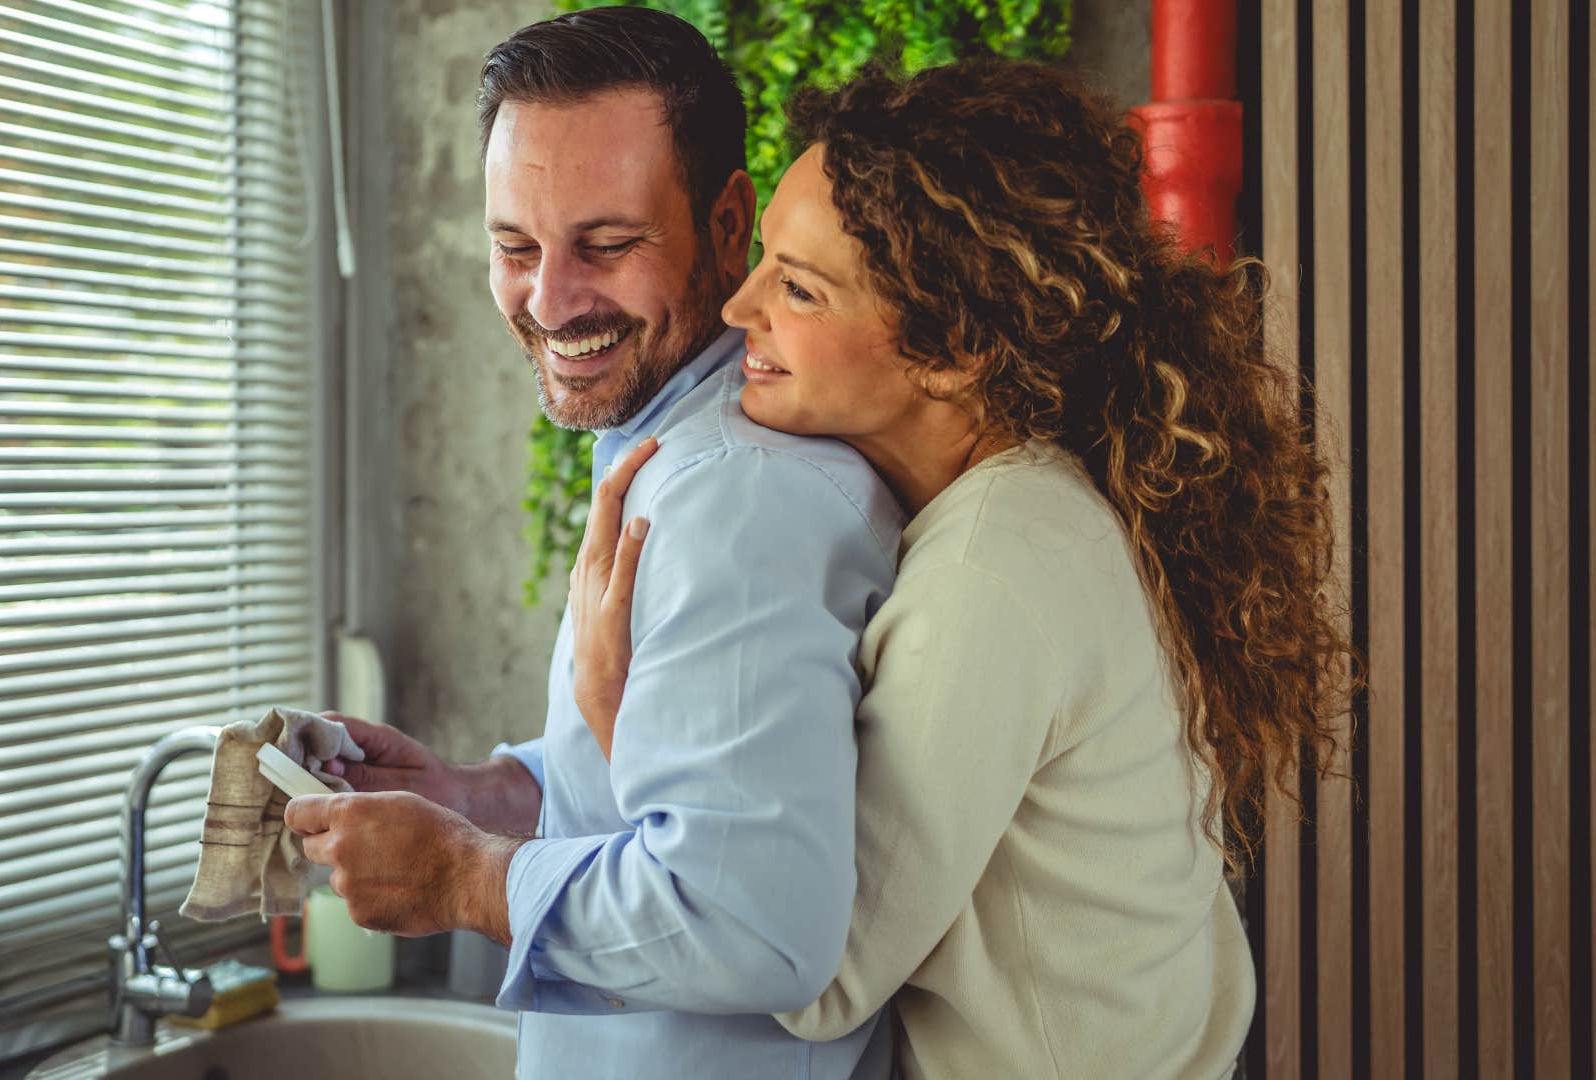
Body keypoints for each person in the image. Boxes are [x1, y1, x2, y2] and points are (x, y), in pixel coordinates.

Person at [566, 60, 1359, 1077]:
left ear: (950, 351)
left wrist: (619, 712)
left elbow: (815, 974)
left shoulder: (993, 573)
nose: (740, 309)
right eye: (765, 262)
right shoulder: (1027, 507)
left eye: (800, 288)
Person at [281, 8, 904, 1080]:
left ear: (726, 225)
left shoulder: (736, 500)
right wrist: (478, 795)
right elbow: (699, 780)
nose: (552, 299)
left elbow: (752, 920)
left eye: (608, 246)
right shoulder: (667, 453)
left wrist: (466, 879)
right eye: (515, 247)